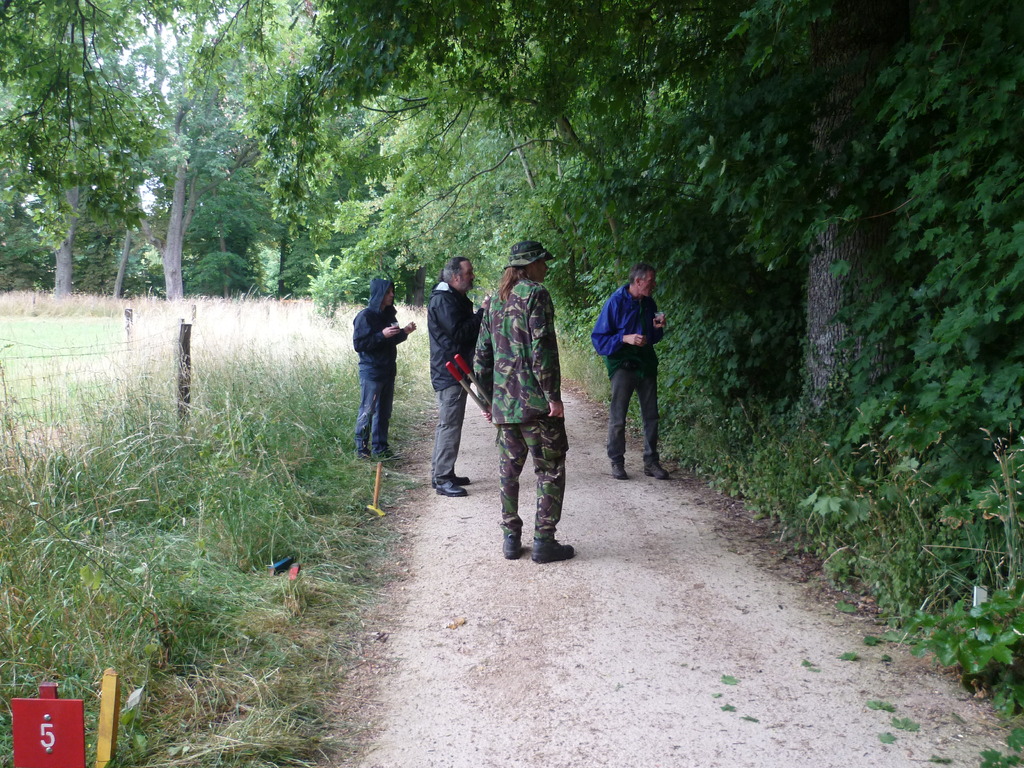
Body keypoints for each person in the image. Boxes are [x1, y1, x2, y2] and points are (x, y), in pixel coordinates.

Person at [475, 240, 574, 564]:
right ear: (529, 265)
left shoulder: (494, 300)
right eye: (542, 261)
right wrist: (553, 397)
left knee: (509, 472)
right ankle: (544, 541)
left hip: (505, 406)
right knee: (550, 469)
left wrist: (489, 402)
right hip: (536, 406)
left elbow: (482, 356)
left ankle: (510, 539)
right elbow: (543, 349)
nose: (546, 267)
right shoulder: (536, 294)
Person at [591, 263, 669, 480]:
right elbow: (599, 340)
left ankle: (651, 462)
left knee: (651, 416)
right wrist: (624, 338)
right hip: (622, 366)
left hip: (646, 364)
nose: (654, 285)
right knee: (618, 417)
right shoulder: (615, 302)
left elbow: (653, 339)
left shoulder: (649, 303)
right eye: (651, 281)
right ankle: (617, 462)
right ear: (638, 281)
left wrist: (657, 329)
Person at [428, 257, 483, 497]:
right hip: (450, 371)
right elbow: (460, 334)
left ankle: (443, 473)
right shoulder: (443, 300)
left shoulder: (452, 298)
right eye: (469, 273)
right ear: (455, 276)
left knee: (450, 424)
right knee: (449, 424)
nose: (472, 276)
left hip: (455, 368)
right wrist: (482, 313)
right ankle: (442, 478)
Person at [352, 278, 417, 459]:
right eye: (388, 292)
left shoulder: (388, 315)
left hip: (388, 369)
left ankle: (381, 448)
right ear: (379, 293)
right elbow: (359, 344)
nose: (392, 295)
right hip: (372, 371)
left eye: (392, 291)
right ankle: (361, 450)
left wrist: (404, 332)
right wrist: (381, 335)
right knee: (367, 411)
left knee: (384, 412)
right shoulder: (365, 316)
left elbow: (392, 340)